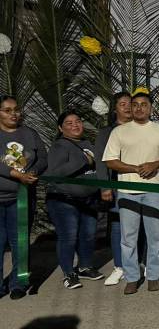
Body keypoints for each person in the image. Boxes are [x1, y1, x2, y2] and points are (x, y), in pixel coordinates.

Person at [103, 91, 159, 295]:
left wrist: (155, 164)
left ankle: (153, 276)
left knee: (155, 236)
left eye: (144, 104)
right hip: (127, 191)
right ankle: (132, 277)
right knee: (128, 237)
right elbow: (110, 161)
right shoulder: (119, 132)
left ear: (151, 108)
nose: (139, 108)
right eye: (135, 104)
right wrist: (135, 169)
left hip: (154, 189)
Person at [45, 111, 104, 289]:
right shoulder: (59, 146)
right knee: (68, 237)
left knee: (88, 235)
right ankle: (68, 273)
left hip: (88, 199)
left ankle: (85, 267)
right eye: (69, 123)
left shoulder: (87, 144)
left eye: (78, 121)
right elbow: (54, 174)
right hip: (64, 199)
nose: (75, 125)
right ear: (60, 128)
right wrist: (83, 161)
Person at [0, 95, 47, 299]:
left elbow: (43, 157)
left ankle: (20, 282)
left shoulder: (29, 133)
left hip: (21, 198)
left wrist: (33, 172)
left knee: (20, 242)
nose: (14, 114)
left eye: (16, 109)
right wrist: (16, 174)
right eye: (7, 110)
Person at [94, 91, 133, 287]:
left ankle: (135, 264)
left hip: (139, 184)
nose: (127, 107)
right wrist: (105, 187)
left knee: (139, 225)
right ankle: (119, 266)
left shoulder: (141, 129)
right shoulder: (106, 132)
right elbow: (101, 162)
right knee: (118, 225)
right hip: (116, 185)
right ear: (115, 108)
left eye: (130, 103)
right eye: (123, 103)